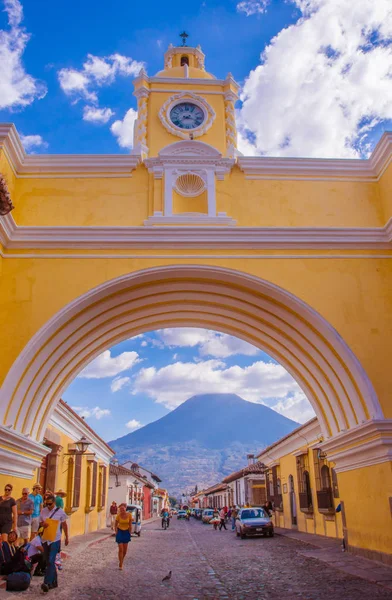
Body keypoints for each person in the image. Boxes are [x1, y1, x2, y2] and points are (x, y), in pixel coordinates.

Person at [39, 493, 69, 593]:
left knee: (51, 561)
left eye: (50, 504)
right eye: (47, 504)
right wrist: (44, 524)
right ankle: (54, 582)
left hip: (55, 540)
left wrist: (67, 537)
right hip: (45, 539)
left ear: (54, 503)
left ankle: (46, 583)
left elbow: (64, 525)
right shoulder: (43, 511)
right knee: (48, 561)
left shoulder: (60, 512)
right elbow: (40, 522)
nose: (48, 506)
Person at [115, 503, 132, 570]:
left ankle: (121, 560)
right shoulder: (118, 516)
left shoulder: (129, 515)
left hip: (126, 532)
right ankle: (121, 564)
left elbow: (130, 525)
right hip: (120, 532)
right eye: (120, 509)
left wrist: (130, 533)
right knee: (120, 549)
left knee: (125, 551)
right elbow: (115, 524)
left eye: (123, 509)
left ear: (125, 508)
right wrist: (116, 531)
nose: (122, 510)